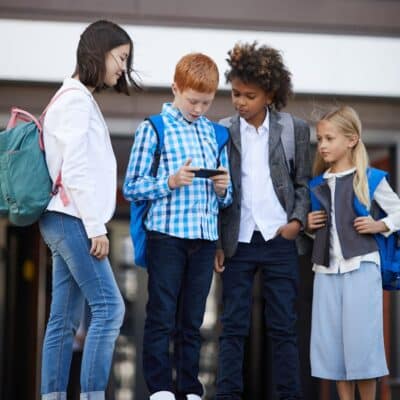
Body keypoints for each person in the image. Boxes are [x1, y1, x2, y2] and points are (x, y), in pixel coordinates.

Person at [123, 53, 232, 400]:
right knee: (161, 315)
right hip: (167, 236)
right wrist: (169, 181)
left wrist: (222, 189)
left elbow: (226, 199)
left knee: (193, 320)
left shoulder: (216, 135)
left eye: (207, 101)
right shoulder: (153, 128)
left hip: (203, 238)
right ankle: (160, 389)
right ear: (175, 88)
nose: (199, 108)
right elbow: (131, 186)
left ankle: (190, 388)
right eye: (193, 100)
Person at [39, 20, 138, 400]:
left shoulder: (71, 97)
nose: (123, 68)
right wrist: (96, 227)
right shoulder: (76, 100)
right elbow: (76, 168)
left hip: (63, 217)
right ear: (100, 51)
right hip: (72, 218)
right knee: (110, 310)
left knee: (63, 320)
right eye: (121, 57)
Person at [215, 42, 311, 400]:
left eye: (249, 95)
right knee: (232, 326)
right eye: (236, 94)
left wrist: (297, 223)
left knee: (284, 326)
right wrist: (218, 244)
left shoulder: (294, 129)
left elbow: (302, 184)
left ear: (269, 94)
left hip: (279, 238)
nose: (240, 102)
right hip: (237, 241)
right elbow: (217, 192)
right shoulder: (221, 130)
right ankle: (228, 395)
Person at [307, 106, 400, 400]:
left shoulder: (370, 178)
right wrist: (309, 225)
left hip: (361, 268)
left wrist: (378, 224)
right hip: (325, 272)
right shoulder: (317, 184)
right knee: (333, 349)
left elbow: (398, 211)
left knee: (361, 346)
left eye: (329, 138)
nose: (322, 145)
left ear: (351, 139)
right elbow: (320, 229)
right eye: (320, 138)